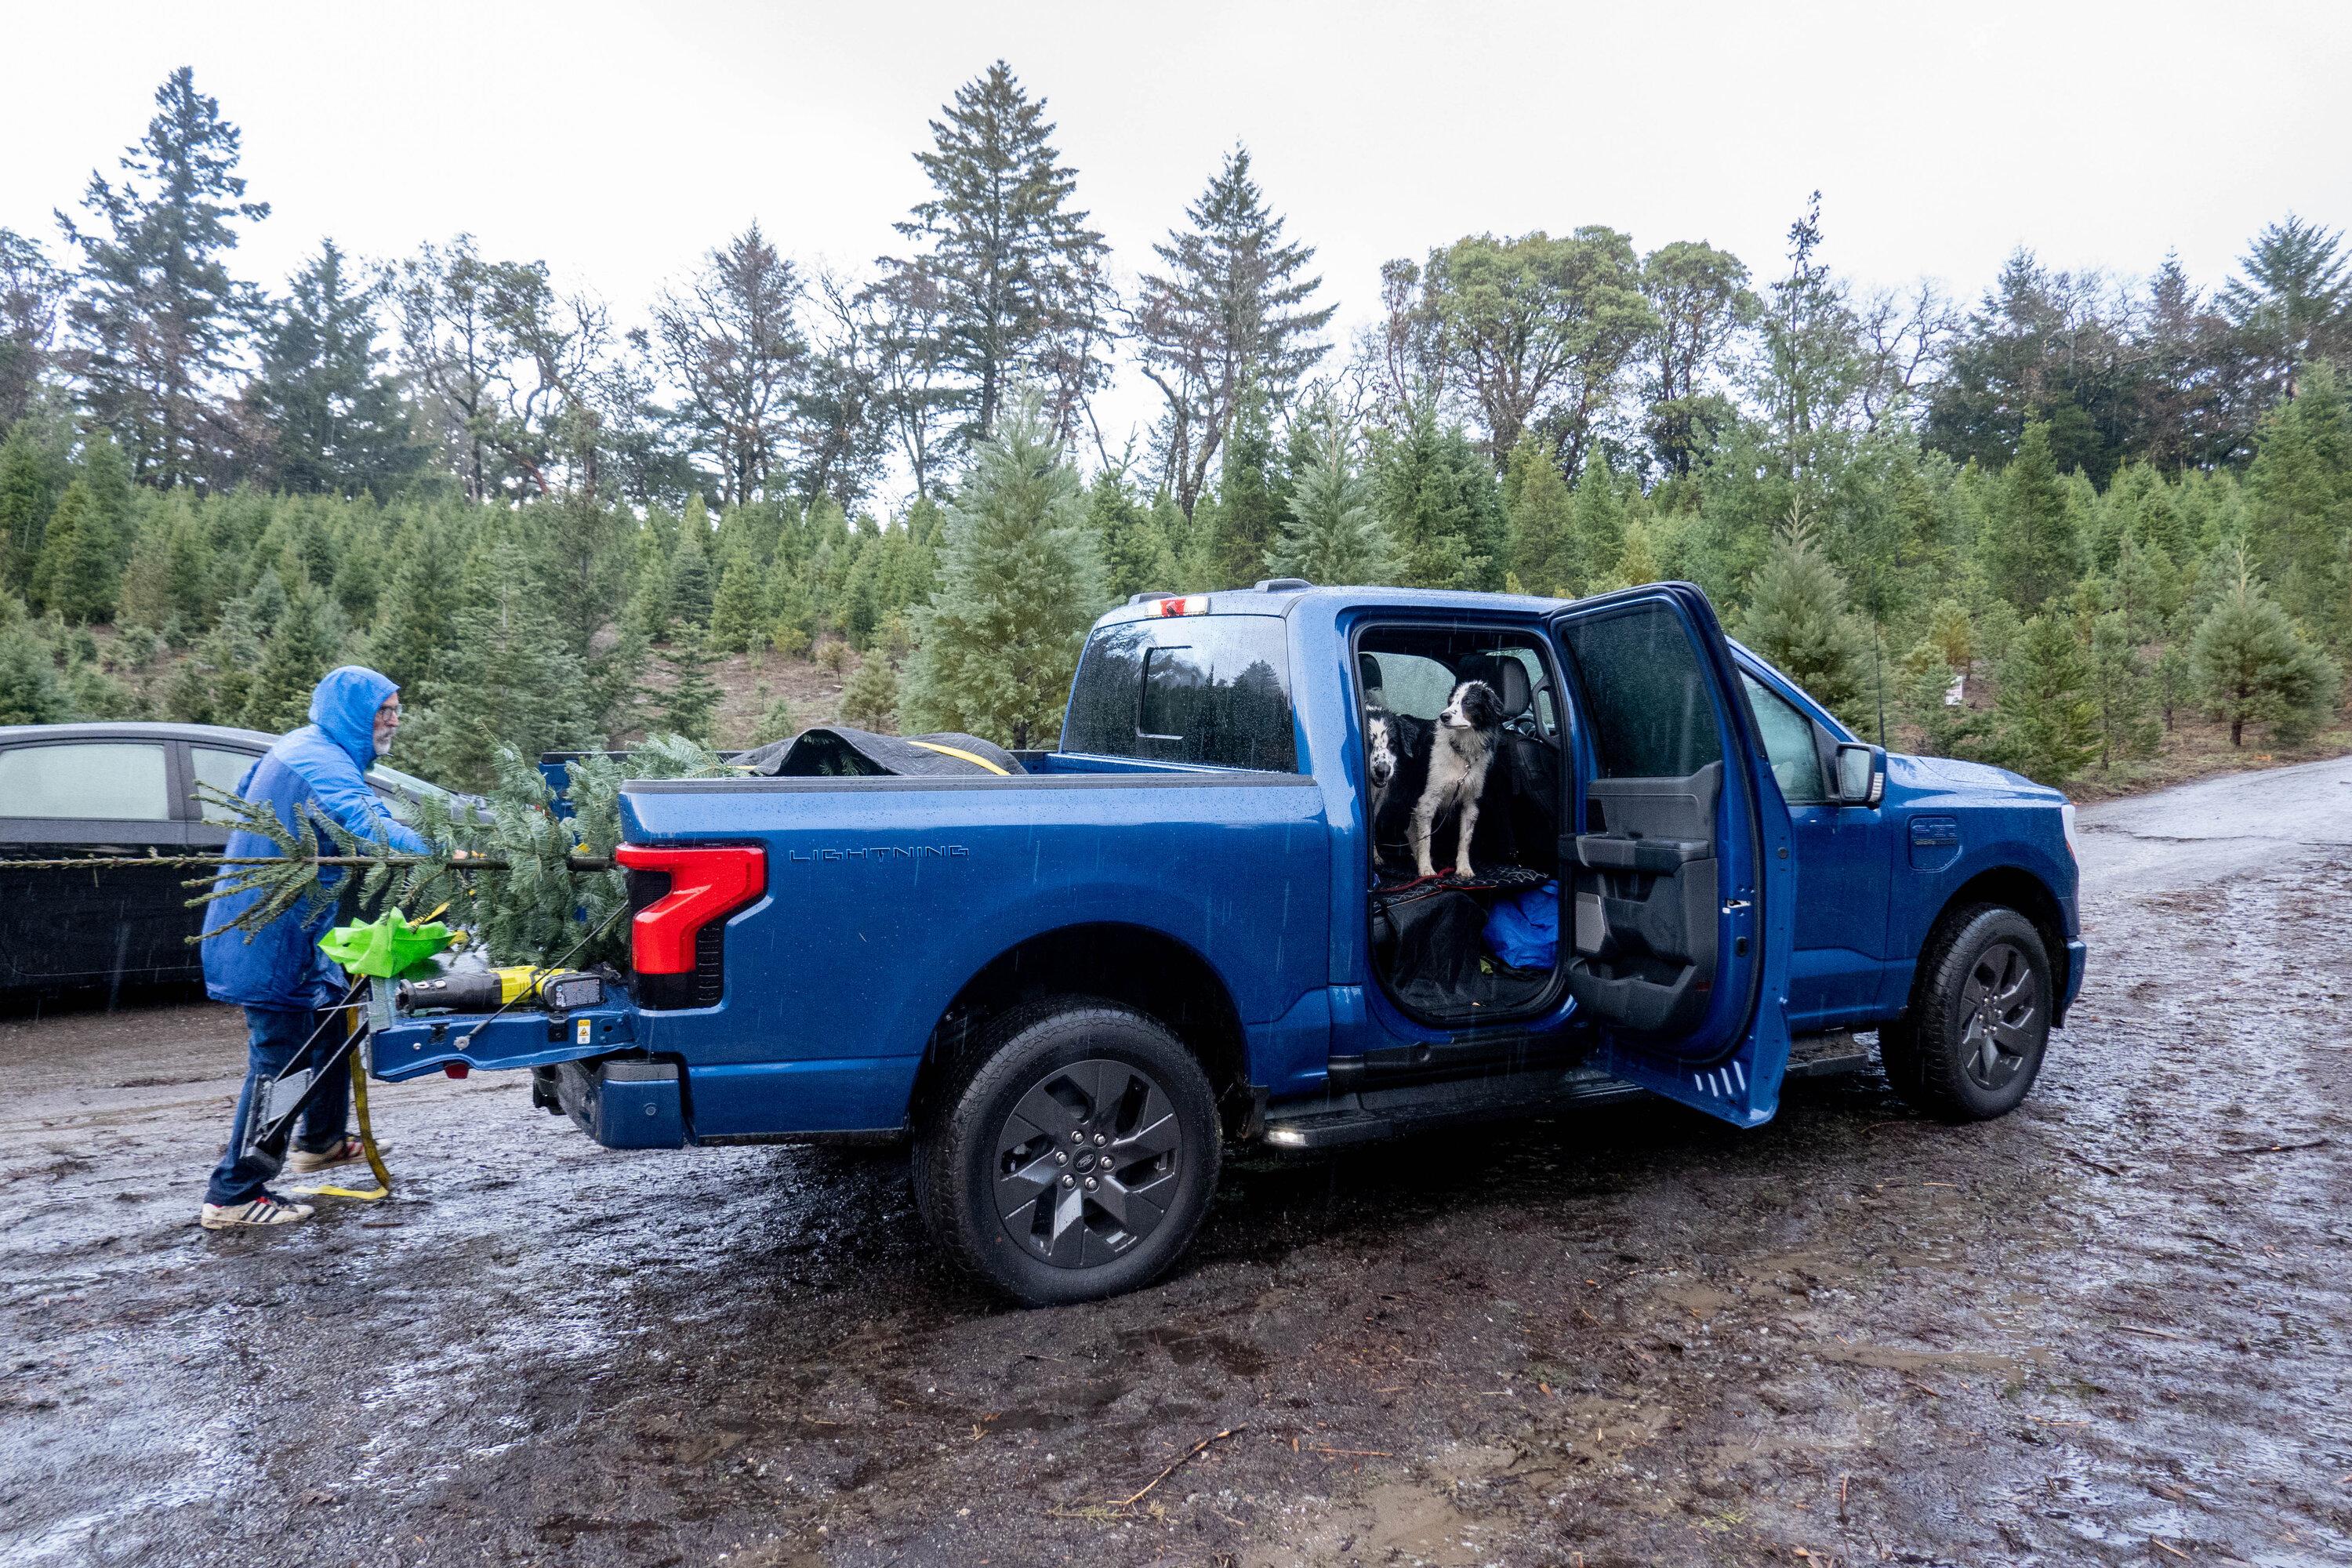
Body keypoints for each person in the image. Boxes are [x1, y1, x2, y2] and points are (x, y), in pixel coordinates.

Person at [198, 666, 430, 1229]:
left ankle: (320, 1141)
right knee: (280, 1064)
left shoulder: (310, 749)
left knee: (332, 1029)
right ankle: (234, 1193)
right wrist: (446, 847)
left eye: (397, 710)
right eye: (383, 710)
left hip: (294, 930)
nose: (393, 720)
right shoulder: (319, 758)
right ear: (352, 712)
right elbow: (365, 824)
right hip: (270, 935)